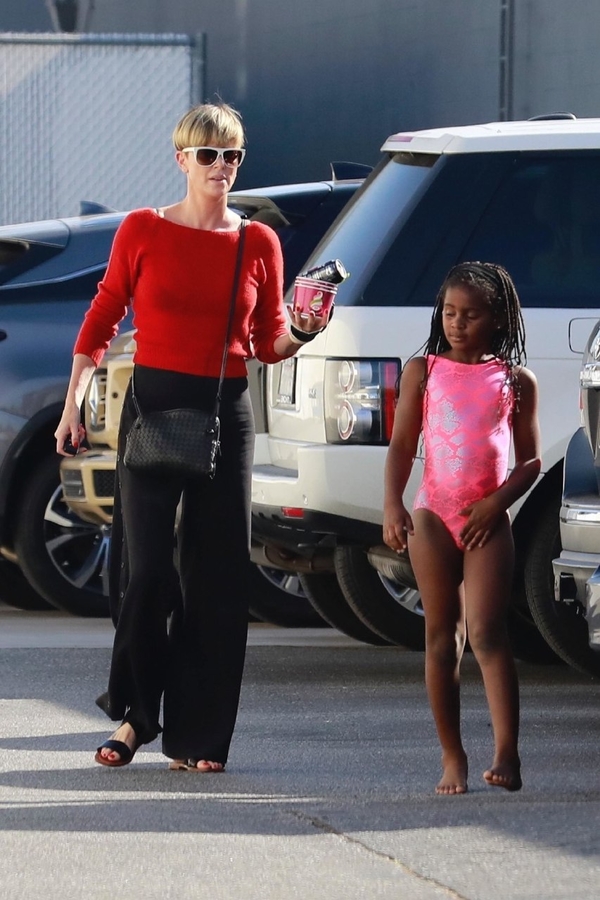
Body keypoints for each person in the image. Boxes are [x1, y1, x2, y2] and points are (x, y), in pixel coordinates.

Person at [54, 102, 331, 772]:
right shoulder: (143, 229)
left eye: (232, 155)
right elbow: (104, 313)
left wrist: (303, 331)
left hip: (224, 410)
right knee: (147, 570)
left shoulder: (257, 242)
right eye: (208, 154)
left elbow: (266, 342)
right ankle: (134, 716)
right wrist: (73, 404)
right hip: (152, 406)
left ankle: (200, 738)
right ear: (182, 159)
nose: (221, 166)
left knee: (216, 578)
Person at [383, 261, 541, 795]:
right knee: (441, 637)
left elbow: (530, 462)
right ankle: (453, 756)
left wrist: (496, 505)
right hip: (432, 514)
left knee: (489, 634)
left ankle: (507, 753)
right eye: (449, 312)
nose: (456, 323)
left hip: (486, 519)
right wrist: (393, 505)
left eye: (470, 315)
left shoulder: (514, 381)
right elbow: (402, 445)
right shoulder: (423, 372)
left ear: (497, 319)